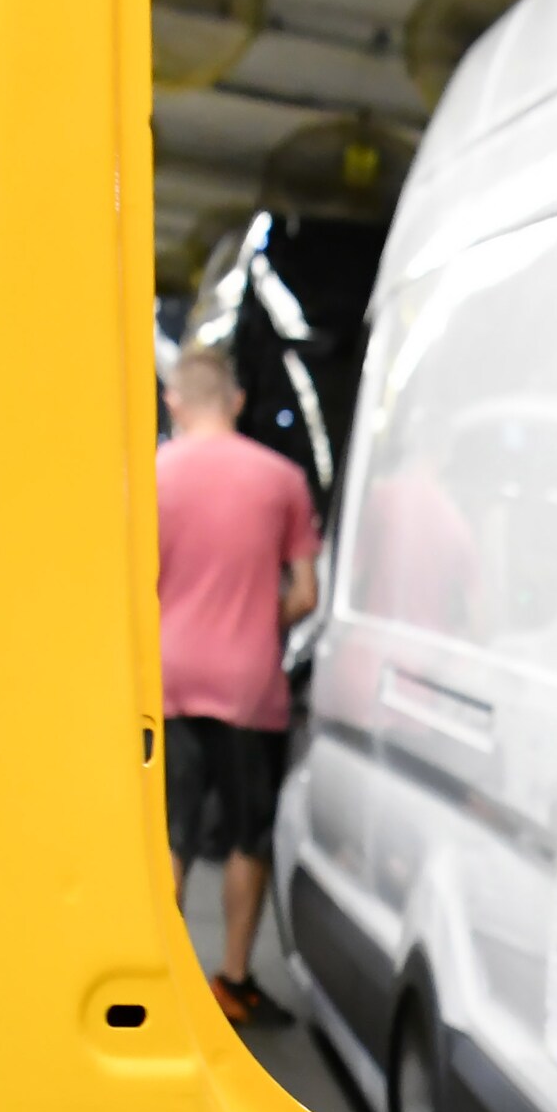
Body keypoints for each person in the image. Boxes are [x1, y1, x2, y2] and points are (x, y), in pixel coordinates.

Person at [154, 343, 320, 1023]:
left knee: (168, 832)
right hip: (251, 684)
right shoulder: (281, 478)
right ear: (239, 401)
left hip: (165, 676)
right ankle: (233, 981)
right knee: (248, 835)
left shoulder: (151, 474)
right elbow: (306, 594)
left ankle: (156, 980)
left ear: (175, 403)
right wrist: (258, 620)